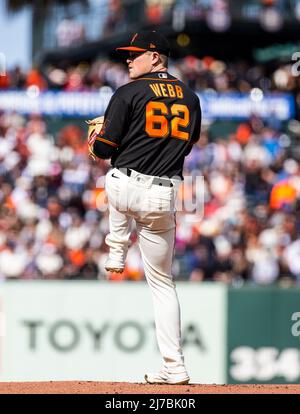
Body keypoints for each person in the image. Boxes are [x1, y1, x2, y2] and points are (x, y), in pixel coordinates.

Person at [88, 30, 201, 385]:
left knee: (113, 176)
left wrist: (95, 141)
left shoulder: (127, 92)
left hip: (125, 188)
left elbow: (105, 150)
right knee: (163, 284)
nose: (128, 59)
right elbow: (189, 143)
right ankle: (175, 366)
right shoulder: (191, 97)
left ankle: (117, 248)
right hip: (164, 195)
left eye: (135, 54)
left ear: (155, 57)